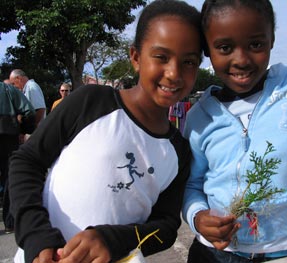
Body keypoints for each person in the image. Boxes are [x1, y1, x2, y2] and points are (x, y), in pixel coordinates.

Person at [9, 0, 203, 262]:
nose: (173, 73)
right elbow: (26, 161)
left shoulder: (179, 150)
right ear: (135, 57)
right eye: (161, 57)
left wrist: (112, 241)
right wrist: (36, 237)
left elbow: (166, 227)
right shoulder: (90, 101)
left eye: (189, 62)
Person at [182, 0, 287, 263]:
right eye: (225, 47)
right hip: (212, 254)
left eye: (256, 44)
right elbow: (192, 184)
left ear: (272, 39)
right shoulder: (198, 117)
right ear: (207, 49)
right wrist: (198, 216)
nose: (241, 59)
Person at [0, 81, 35, 234]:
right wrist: (25, 129)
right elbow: (29, 111)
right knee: (9, 177)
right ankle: (9, 222)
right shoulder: (8, 89)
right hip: (7, 135)